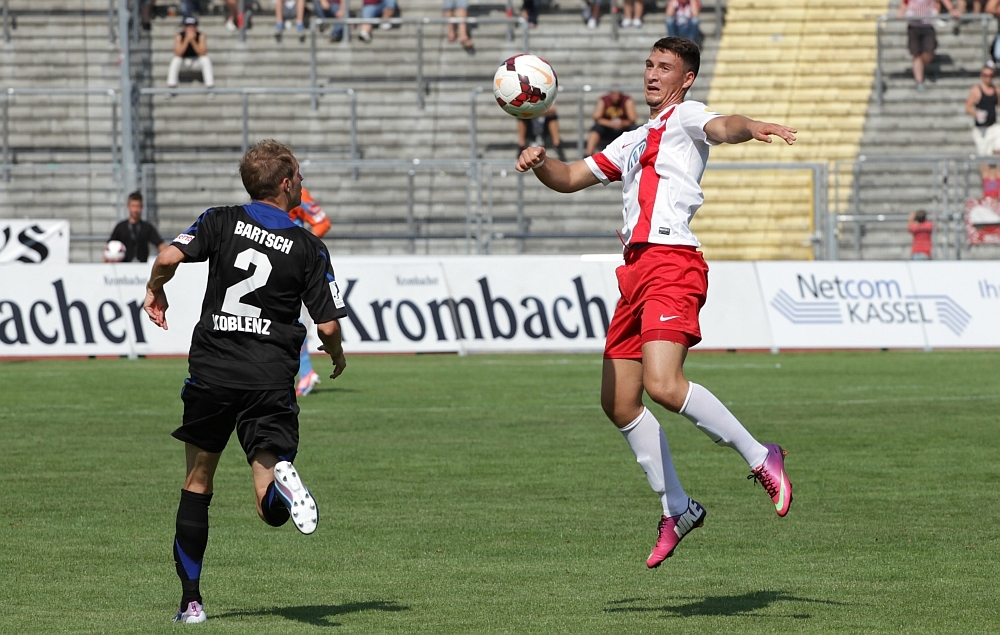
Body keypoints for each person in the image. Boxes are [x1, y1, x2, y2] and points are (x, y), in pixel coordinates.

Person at [515, 37, 796, 568]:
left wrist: (751, 126)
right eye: (649, 64)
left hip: (672, 263)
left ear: (686, 79)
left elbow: (723, 126)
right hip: (635, 272)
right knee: (619, 403)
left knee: (664, 385)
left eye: (665, 67)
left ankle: (763, 457)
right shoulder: (631, 140)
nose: (652, 73)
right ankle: (678, 507)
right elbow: (570, 178)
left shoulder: (687, 116)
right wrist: (541, 162)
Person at [143, 140, 348, 624]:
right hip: (269, 379)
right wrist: (337, 355)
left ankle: (191, 603)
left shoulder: (219, 220)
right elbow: (327, 326)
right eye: (299, 177)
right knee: (266, 504)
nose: (303, 184)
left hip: (213, 371)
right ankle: (282, 487)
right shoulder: (309, 247)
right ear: (285, 183)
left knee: (197, 483)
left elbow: (168, 258)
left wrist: (154, 291)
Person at [288, 187, 332, 396]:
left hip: (292, 265)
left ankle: (305, 370)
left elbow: (322, 222)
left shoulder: (298, 192)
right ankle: (304, 371)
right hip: (272, 261)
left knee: (289, 318)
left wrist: (303, 247)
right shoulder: (266, 188)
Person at [898, 0, 960, 92]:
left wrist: (951, 10)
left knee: (928, 53)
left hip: (928, 26)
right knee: (917, 55)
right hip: (914, 26)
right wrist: (901, 12)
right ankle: (919, 81)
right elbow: (905, 3)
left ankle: (919, 67)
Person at [107, 191, 166, 262]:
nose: (135, 210)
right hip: (123, 266)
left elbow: (161, 245)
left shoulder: (147, 227)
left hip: (142, 266)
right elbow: (108, 247)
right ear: (128, 207)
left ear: (142, 207)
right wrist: (111, 258)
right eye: (133, 206)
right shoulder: (120, 227)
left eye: (138, 206)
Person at [967, 64, 1000, 174]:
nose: (988, 78)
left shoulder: (996, 90)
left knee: (998, 148)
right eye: (985, 75)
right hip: (981, 129)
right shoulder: (976, 90)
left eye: (990, 75)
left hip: (993, 126)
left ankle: (996, 176)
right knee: (983, 157)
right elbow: (968, 107)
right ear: (982, 76)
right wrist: (976, 113)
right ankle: (987, 179)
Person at [585, 89, 638, 157]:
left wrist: (622, 123)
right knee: (596, 129)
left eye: (618, 95)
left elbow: (633, 119)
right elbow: (596, 118)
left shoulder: (627, 100)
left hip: (623, 128)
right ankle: (588, 154)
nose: (616, 98)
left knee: (635, 129)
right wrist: (610, 123)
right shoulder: (603, 100)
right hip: (607, 129)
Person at [167, 16, 215, 91]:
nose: (190, 29)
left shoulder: (201, 35)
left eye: (192, 26)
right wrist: (186, 40)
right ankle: (171, 85)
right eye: (188, 26)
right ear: (184, 27)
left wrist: (193, 41)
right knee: (176, 60)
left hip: (196, 61)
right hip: (184, 62)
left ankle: (210, 86)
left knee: (205, 59)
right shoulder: (179, 36)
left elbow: (203, 53)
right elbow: (178, 53)